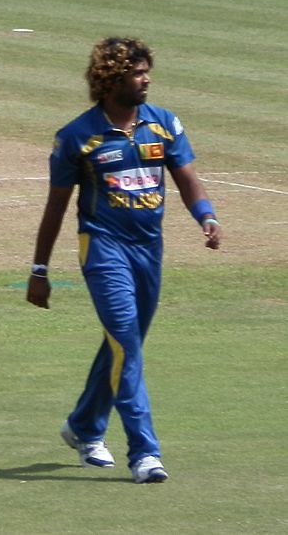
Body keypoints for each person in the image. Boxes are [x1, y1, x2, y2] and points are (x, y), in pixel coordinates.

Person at [26, 37, 221, 483]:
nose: (146, 79)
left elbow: (187, 178)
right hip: (102, 249)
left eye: (145, 70)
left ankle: (82, 426)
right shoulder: (77, 136)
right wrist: (39, 270)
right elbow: (55, 208)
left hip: (149, 250)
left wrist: (206, 217)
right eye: (136, 72)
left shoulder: (164, 124)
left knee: (122, 344)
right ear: (111, 80)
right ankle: (144, 453)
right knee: (127, 346)